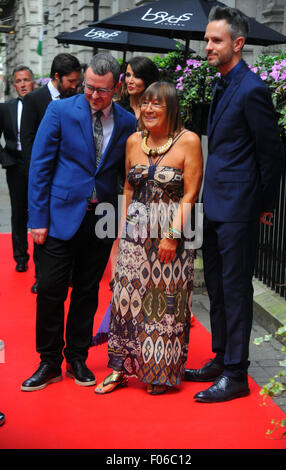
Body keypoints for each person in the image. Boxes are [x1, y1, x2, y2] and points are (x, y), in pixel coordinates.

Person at [20, 52, 137, 392]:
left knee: (87, 291)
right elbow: (40, 167)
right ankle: (48, 361)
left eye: (101, 90)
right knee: (52, 290)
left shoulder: (127, 121)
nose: (93, 95)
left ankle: (77, 357)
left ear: (116, 87)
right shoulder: (59, 111)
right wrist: (37, 219)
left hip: (101, 218)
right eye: (88, 87)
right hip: (58, 217)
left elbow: (123, 174)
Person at [184, 6, 283, 403]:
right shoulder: (221, 84)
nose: (207, 46)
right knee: (218, 290)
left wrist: (265, 204)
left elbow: (271, 153)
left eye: (215, 40)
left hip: (239, 207)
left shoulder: (253, 88)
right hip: (217, 204)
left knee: (236, 289)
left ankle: (237, 374)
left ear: (237, 44)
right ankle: (221, 357)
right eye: (207, 39)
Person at [95, 81, 203, 395]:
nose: (149, 109)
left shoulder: (189, 141)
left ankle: (159, 372)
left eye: (157, 104)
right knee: (125, 301)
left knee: (163, 306)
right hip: (134, 233)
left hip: (171, 236)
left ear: (172, 109)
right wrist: (118, 235)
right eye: (145, 104)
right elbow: (127, 188)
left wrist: (172, 237)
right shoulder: (132, 141)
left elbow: (191, 193)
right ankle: (118, 369)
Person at [92, 56, 160, 346]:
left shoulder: (155, 110)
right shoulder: (116, 111)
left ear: (148, 80)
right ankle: (115, 317)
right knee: (117, 254)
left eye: (136, 76)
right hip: (118, 189)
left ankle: (141, 319)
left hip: (146, 195)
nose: (130, 80)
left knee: (143, 260)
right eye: (127, 75)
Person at [21, 53, 82, 293]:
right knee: (40, 227)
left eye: (77, 82)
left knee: (65, 229)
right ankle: (41, 275)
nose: (75, 86)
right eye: (71, 81)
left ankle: (66, 273)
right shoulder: (35, 99)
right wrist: (35, 180)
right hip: (43, 178)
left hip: (67, 180)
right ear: (57, 77)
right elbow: (27, 142)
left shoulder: (77, 99)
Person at [0, 66, 35, 272]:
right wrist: (6, 158)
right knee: (18, 212)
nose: (23, 84)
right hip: (15, 165)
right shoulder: (6, 108)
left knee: (40, 211)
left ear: (33, 83)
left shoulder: (44, 106)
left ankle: (42, 262)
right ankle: (20, 256)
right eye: (19, 81)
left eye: (26, 80)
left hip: (38, 166)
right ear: (14, 85)